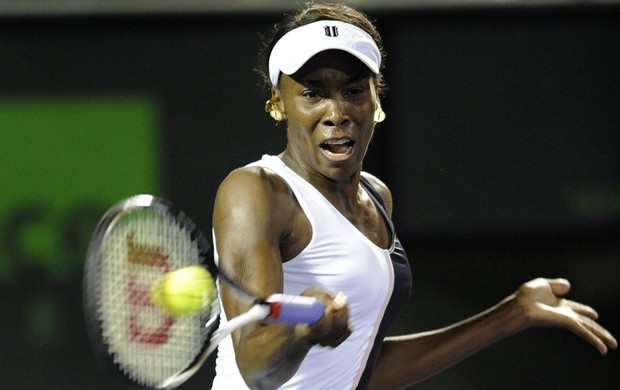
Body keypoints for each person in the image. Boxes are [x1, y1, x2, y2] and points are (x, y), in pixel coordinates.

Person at [210, 3, 617, 389]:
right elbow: (256, 370)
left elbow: (365, 368)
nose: (337, 112)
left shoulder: (377, 198)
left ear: (376, 100)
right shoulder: (255, 191)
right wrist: (303, 329)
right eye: (313, 93)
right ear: (278, 103)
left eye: (354, 91)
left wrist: (514, 312)